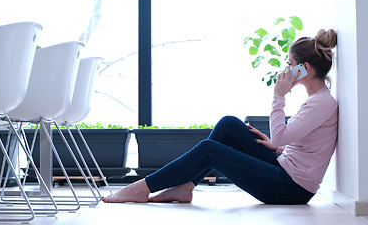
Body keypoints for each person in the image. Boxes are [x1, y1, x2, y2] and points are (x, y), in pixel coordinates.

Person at [103, 29, 338, 205]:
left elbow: (280, 137)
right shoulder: (318, 101)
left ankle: (142, 187)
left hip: (291, 188)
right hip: (285, 168)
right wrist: (277, 149)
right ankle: (186, 186)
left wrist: (279, 96)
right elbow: (296, 145)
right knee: (228, 124)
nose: (287, 70)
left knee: (209, 150)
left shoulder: (321, 103)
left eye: (291, 64)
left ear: (305, 68)